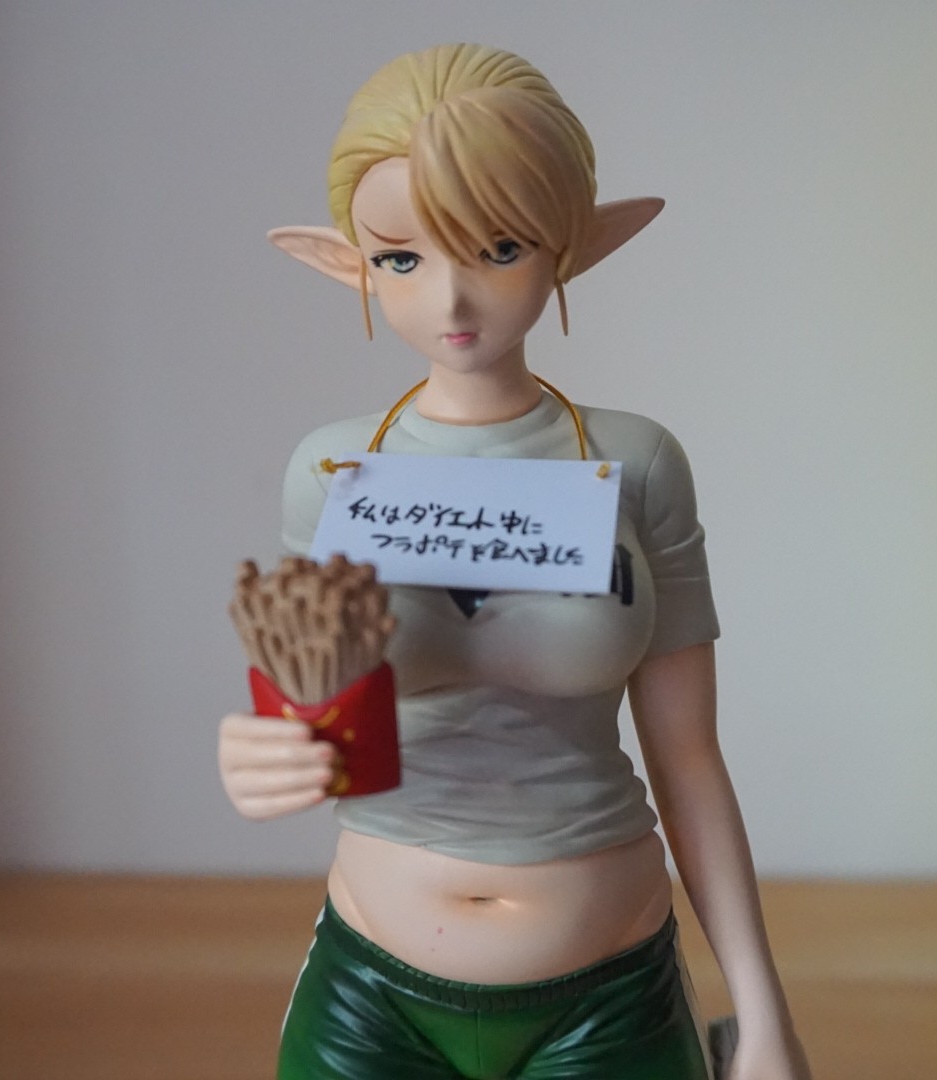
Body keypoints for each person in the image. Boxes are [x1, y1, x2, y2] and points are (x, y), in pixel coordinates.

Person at [217, 43, 811, 1080]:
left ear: (568, 246)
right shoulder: (332, 471)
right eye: (403, 257)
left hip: (605, 987)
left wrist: (762, 1011)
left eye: (498, 247)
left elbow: (688, 759)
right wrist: (265, 751)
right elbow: (312, 707)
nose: (451, 300)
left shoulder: (635, 463)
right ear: (351, 261)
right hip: (373, 989)